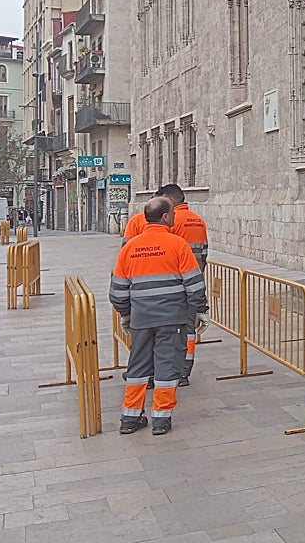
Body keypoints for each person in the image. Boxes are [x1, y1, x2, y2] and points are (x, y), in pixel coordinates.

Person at [108, 197, 209, 436]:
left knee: (138, 365)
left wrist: (125, 313)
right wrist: (200, 310)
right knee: (165, 366)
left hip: (141, 319)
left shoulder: (130, 248)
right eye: (172, 213)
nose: (174, 217)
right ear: (165, 216)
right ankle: (161, 419)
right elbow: (194, 284)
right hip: (171, 318)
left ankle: (129, 418)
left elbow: (118, 289)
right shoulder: (177, 245)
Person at [158, 183, 209, 385]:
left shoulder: (171, 220)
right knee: (189, 330)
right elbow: (204, 253)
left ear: (170, 201)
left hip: (174, 284)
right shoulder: (199, 220)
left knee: (170, 330)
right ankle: (184, 373)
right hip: (194, 283)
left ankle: (169, 369)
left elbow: (166, 251)